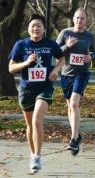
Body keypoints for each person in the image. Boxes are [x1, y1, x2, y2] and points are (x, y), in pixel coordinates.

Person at [8, 14, 64, 173]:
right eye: (33, 26)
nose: (36, 28)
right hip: (26, 89)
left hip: (45, 88)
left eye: (39, 26)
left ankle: (38, 155)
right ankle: (33, 154)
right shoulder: (20, 45)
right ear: (29, 28)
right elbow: (11, 68)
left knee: (37, 120)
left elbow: (61, 59)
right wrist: (26, 62)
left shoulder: (50, 44)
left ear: (43, 29)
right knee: (30, 124)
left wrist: (55, 70)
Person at [56, 8, 95, 156]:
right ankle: (77, 136)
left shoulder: (89, 36)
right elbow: (55, 50)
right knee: (69, 106)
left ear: (86, 21)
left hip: (82, 73)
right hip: (66, 74)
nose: (80, 21)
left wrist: (90, 57)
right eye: (77, 18)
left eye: (82, 18)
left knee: (74, 103)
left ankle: (73, 139)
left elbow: (93, 51)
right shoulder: (65, 33)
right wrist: (67, 46)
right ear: (73, 19)